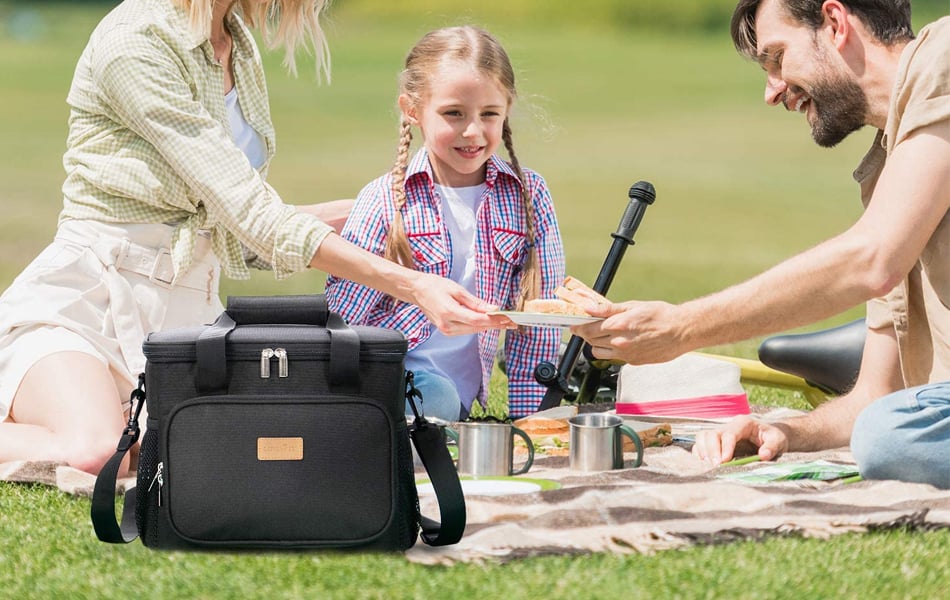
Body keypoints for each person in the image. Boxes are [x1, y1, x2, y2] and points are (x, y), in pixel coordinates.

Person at [0, 0, 510, 476]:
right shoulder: (135, 41)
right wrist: (413, 284)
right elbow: (251, 211)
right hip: (86, 304)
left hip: (176, 321)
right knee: (94, 451)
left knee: (182, 451)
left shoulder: (236, 42)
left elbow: (236, 224)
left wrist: (373, 214)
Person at [572, 0, 949, 488]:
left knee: (888, 438)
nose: (772, 92)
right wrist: (784, 432)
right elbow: (874, 395)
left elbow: (872, 260)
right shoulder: (888, 170)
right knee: (886, 429)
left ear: (834, 24)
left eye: (776, 58)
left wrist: (681, 328)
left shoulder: (942, 56)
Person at [326, 26, 566, 421]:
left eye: (489, 114)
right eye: (454, 113)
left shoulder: (529, 196)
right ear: (412, 109)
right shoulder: (385, 197)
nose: (472, 131)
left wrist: (529, 427)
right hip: (384, 392)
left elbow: (537, 331)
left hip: (451, 404)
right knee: (432, 393)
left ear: (507, 108)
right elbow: (342, 322)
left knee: (440, 399)